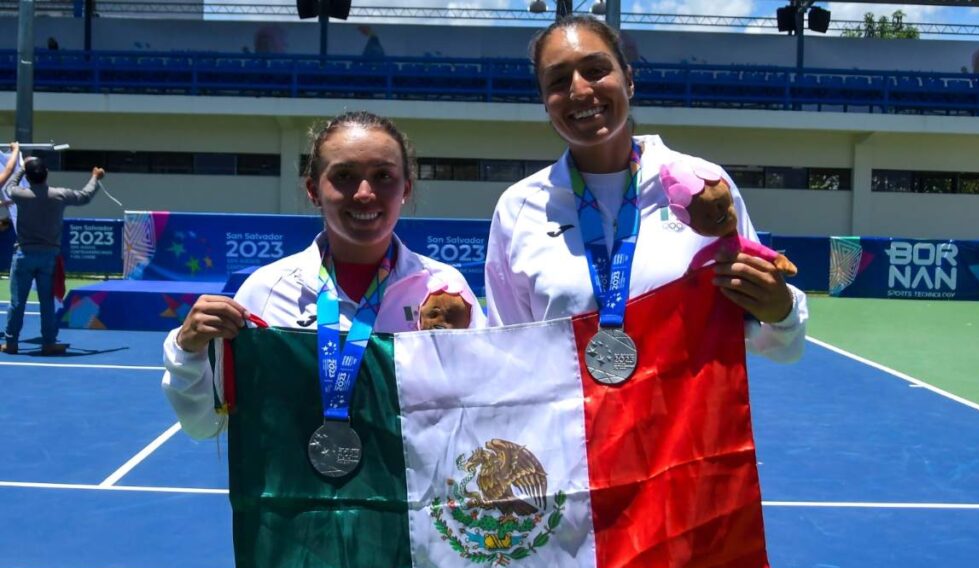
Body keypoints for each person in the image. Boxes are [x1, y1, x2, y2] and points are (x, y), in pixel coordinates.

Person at [484, 15, 807, 362]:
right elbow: (508, 358)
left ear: (629, 81)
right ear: (545, 102)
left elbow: (781, 346)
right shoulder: (518, 209)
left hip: (685, 416)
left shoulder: (704, 183)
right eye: (559, 81)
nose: (579, 90)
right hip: (573, 417)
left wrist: (782, 313)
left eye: (595, 70)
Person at [162, 111, 486, 439]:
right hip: (300, 489)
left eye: (383, 176)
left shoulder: (447, 290)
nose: (364, 193)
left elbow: (485, 411)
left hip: (418, 489)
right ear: (313, 190)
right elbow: (205, 425)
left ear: (406, 189)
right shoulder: (266, 292)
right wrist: (186, 351)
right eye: (343, 175)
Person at [2, 148, 105, 355]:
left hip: (23, 255)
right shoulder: (59, 195)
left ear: (28, 177)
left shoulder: (20, 194)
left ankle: (11, 343)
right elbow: (85, 196)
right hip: (49, 256)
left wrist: (22, 167)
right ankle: (49, 342)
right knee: (47, 302)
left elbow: (10, 183)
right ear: (46, 174)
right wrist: (95, 177)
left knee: (16, 303)